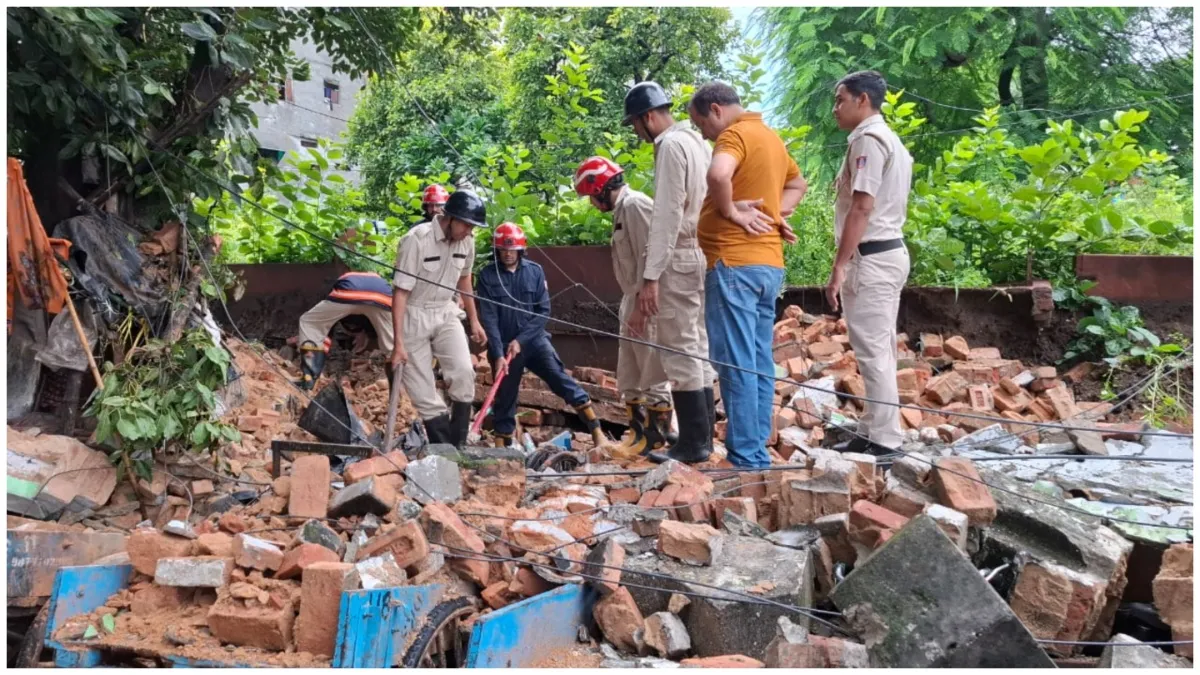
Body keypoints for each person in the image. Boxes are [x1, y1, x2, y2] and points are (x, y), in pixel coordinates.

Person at [687, 81, 808, 469]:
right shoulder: (771, 138)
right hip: (766, 266)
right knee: (756, 361)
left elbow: (719, 175)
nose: (703, 133)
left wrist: (732, 212)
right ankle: (754, 452)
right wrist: (775, 216)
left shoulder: (734, 135)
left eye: (701, 122)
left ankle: (746, 459)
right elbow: (797, 183)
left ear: (717, 109)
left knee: (736, 362)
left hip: (733, 265)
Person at [622, 81, 717, 465]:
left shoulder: (670, 146)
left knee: (679, 350)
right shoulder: (698, 142)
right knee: (698, 346)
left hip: (677, 253)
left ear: (648, 117)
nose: (636, 133)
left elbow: (666, 215)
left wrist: (650, 276)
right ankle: (704, 439)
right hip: (701, 251)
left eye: (635, 125)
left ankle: (693, 444)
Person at [827, 70, 913, 457]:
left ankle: (886, 441)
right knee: (879, 349)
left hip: (872, 255)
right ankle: (874, 428)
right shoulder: (891, 139)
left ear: (863, 100)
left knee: (874, 351)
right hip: (888, 251)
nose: (835, 108)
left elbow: (862, 207)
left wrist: (839, 265)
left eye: (840, 99)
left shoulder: (869, 139)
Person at [575, 156, 674, 458]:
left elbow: (653, 256)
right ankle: (637, 432)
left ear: (601, 188)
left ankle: (656, 438)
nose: (592, 203)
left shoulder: (635, 206)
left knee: (651, 367)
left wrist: (642, 302)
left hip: (646, 297)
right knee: (630, 371)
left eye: (591, 196)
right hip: (631, 296)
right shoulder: (622, 210)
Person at [475, 222, 608, 448]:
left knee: (560, 379)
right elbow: (489, 318)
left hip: (534, 341)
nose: (507, 254)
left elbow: (543, 311)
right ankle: (502, 450)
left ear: (521, 249)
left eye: (512, 249)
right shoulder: (487, 276)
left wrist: (521, 340)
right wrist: (497, 353)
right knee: (505, 396)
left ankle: (597, 432)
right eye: (503, 249)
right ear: (496, 250)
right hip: (504, 346)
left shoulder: (535, 272)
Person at [390, 190, 489, 449]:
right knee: (424, 392)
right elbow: (400, 292)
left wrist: (475, 321)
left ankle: (458, 447)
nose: (469, 231)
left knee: (464, 373)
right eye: (466, 224)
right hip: (414, 312)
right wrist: (398, 343)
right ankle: (445, 454)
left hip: (445, 311)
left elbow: (465, 279)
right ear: (450, 217)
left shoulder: (467, 241)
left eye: (473, 227)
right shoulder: (417, 240)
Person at [297, 271, 396, 390]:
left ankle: (310, 379)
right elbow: (373, 323)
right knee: (393, 345)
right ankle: (395, 386)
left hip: (347, 292)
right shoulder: (378, 279)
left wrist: (322, 353)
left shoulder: (343, 279)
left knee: (310, 322)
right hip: (384, 298)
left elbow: (326, 331)